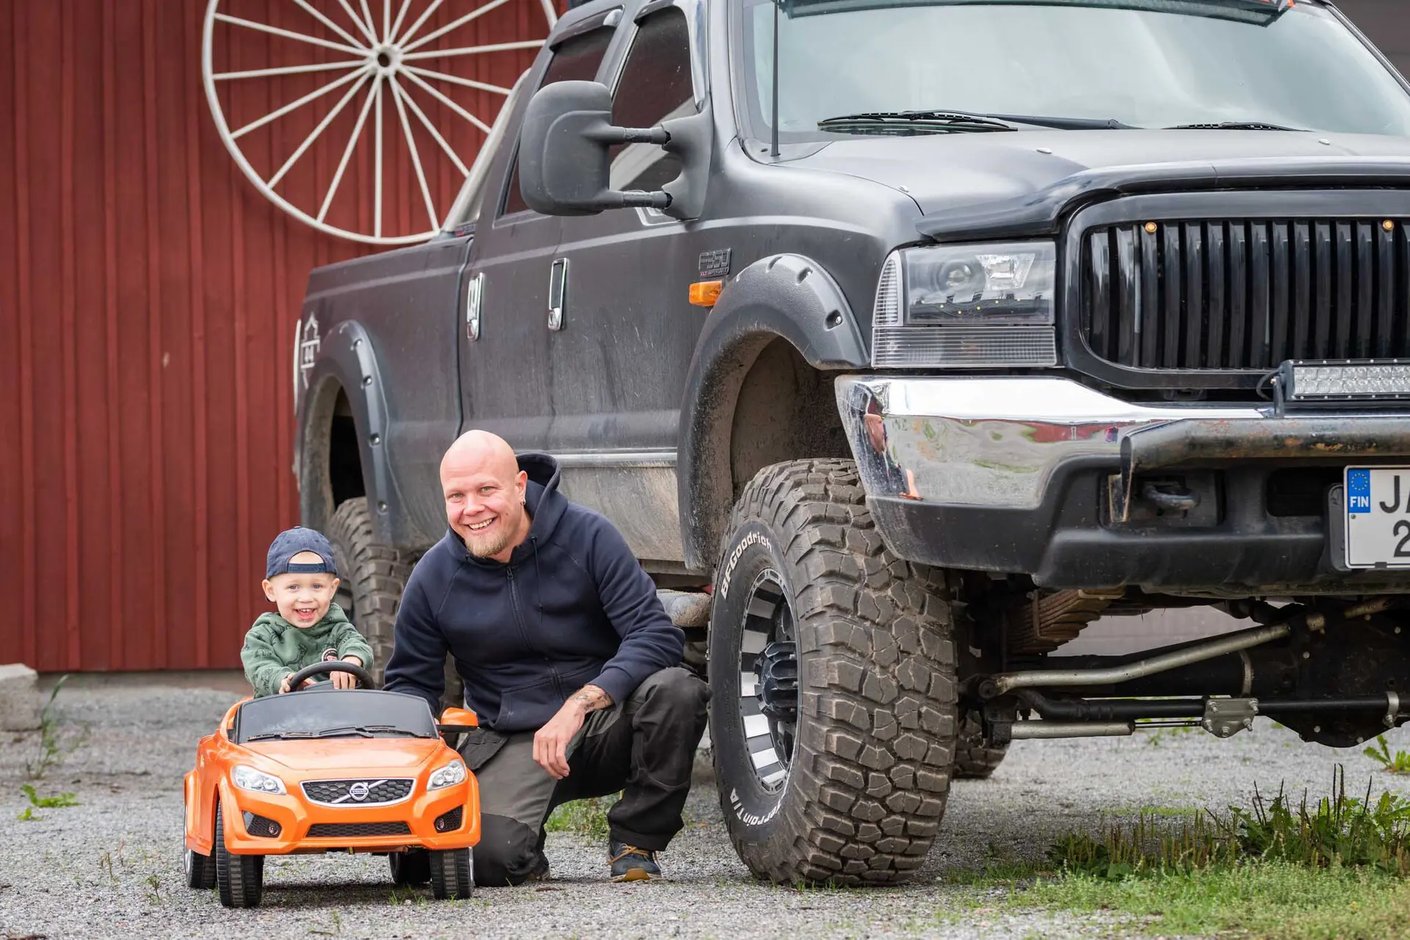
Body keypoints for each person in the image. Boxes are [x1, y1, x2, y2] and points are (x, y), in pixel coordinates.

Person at [384, 430, 709, 884]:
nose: (471, 509)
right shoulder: (432, 578)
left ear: (519, 485)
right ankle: (521, 845)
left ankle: (636, 837)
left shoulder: (589, 536)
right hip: (513, 739)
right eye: (456, 496)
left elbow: (655, 634)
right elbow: (410, 686)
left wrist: (580, 703)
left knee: (678, 690)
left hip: (603, 723)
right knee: (486, 860)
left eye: (485, 490)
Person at [240, 527, 374, 697]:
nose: (305, 597)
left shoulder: (337, 627)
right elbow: (259, 667)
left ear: (332, 589)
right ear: (270, 590)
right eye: (293, 587)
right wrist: (282, 679)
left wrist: (352, 660)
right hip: (279, 716)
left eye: (317, 586)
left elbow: (357, 645)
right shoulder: (262, 635)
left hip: (336, 715)